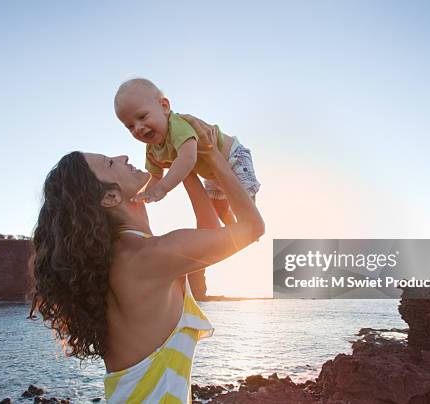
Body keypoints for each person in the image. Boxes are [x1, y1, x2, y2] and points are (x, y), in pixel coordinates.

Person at [28, 115, 264, 403]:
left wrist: (184, 165)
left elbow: (209, 236)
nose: (123, 155)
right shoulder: (148, 257)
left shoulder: (127, 256)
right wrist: (211, 155)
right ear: (111, 198)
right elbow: (252, 228)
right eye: (110, 163)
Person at [114, 78, 261, 225]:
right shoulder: (152, 148)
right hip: (212, 175)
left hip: (234, 159)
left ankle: (249, 224)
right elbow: (155, 176)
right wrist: (143, 195)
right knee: (219, 208)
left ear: (164, 106)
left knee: (243, 202)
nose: (138, 128)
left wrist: (162, 189)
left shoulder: (178, 125)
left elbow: (188, 158)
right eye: (130, 126)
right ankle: (234, 231)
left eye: (142, 116)